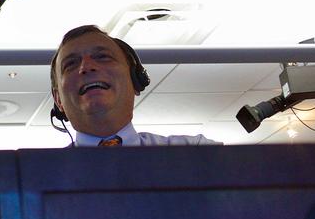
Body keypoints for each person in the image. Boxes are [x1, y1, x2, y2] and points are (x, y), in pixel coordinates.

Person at [50, 24, 221, 146]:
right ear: (59, 100)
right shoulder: (37, 173)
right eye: (70, 64)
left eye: (103, 57)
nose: (86, 67)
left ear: (135, 79)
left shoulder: (198, 154)